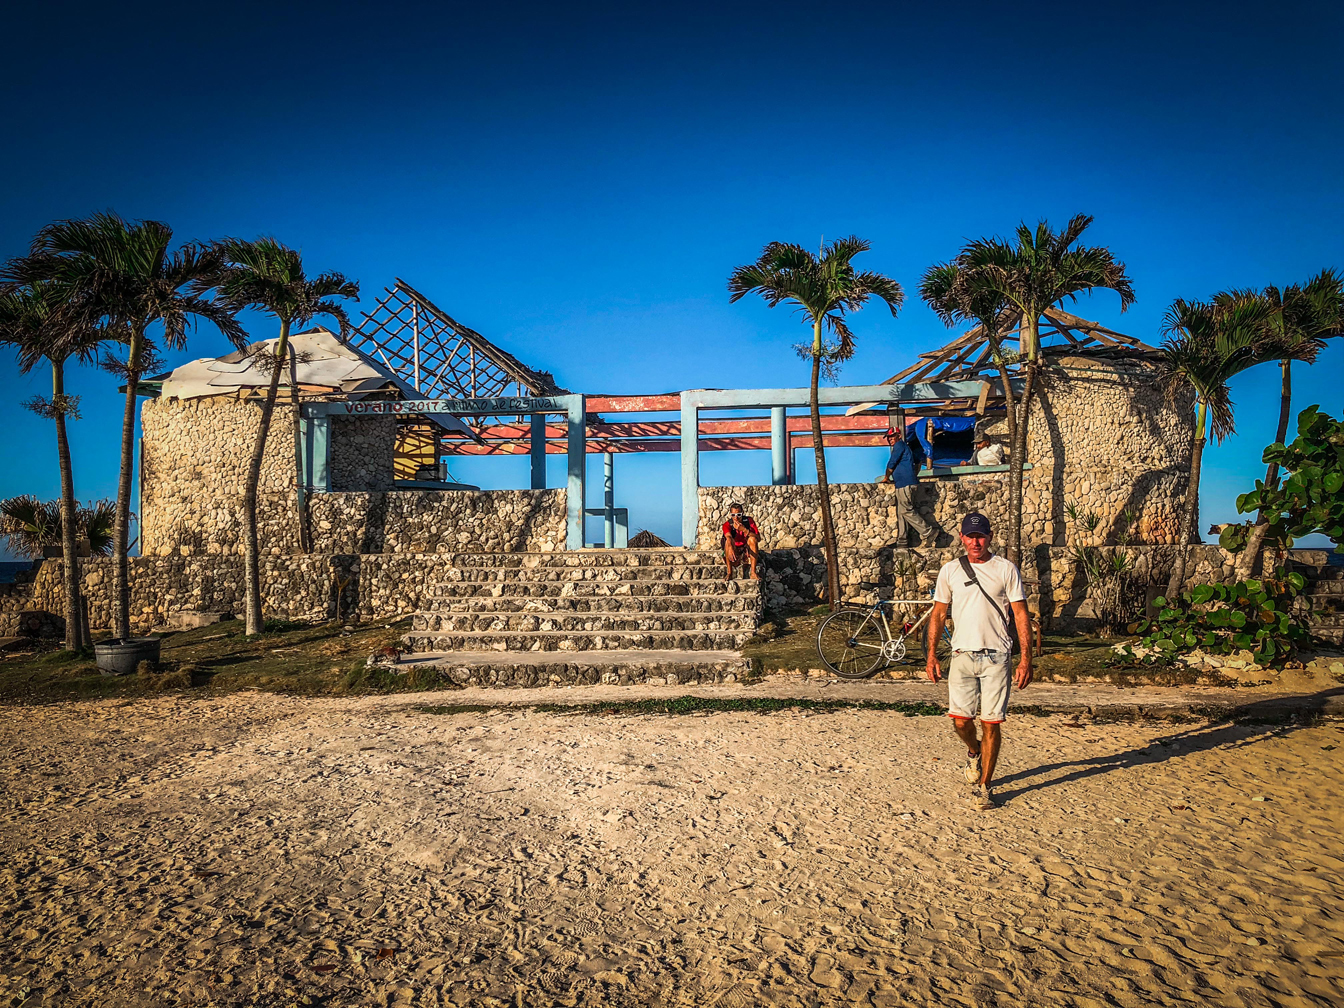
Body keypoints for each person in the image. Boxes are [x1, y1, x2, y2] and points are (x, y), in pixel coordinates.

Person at [925, 512, 1033, 810]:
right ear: (962, 537)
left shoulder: (1005, 569)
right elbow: (938, 613)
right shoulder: (950, 571)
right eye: (970, 536)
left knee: (991, 723)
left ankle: (986, 786)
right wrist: (932, 655)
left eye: (981, 536)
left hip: (997, 656)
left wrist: (1026, 658)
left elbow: (1021, 614)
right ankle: (973, 751)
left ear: (990, 537)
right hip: (961, 655)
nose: (975, 542)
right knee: (961, 722)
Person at [877, 426, 944, 547]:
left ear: (899, 436)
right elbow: (918, 461)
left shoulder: (899, 446)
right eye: (889, 437)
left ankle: (929, 532)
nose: (890, 439)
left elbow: (892, 462)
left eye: (892, 437)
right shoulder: (906, 448)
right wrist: (913, 475)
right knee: (901, 512)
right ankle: (902, 541)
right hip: (907, 482)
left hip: (904, 484)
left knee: (906, 510)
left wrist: (886, 477)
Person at [721, 503, 760, 580]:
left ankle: (753, 572)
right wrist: (731, 548)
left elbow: (758, 538)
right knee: (728, 542)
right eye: (733, 515)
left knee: (752, 539)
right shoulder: (727, 525)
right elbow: (728, 537)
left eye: (738, 515)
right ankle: (729, 572)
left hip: (746, 548)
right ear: (730, 515)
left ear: (742, 513)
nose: (736, 518)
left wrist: (744, 530)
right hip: (734, 548)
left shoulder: (749, 521)